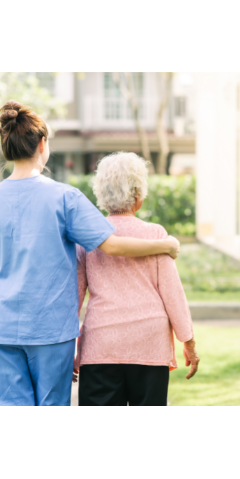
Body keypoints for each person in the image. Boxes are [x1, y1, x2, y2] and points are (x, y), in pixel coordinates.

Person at [0, 101, 180, 407]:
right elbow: (112, 244)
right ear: (42, 144)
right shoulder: (64, 197)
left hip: (2, 329)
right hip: (50, 330)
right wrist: (165, 245)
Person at [73, 152, 199, 406]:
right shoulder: (155, 235)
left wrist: (69, 350)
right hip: (149, 345)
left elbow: (73, 298)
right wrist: (189, 343)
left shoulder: (88, 238)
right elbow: (173, 295)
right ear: (138, 196)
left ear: (101, 193)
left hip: (101, 346)